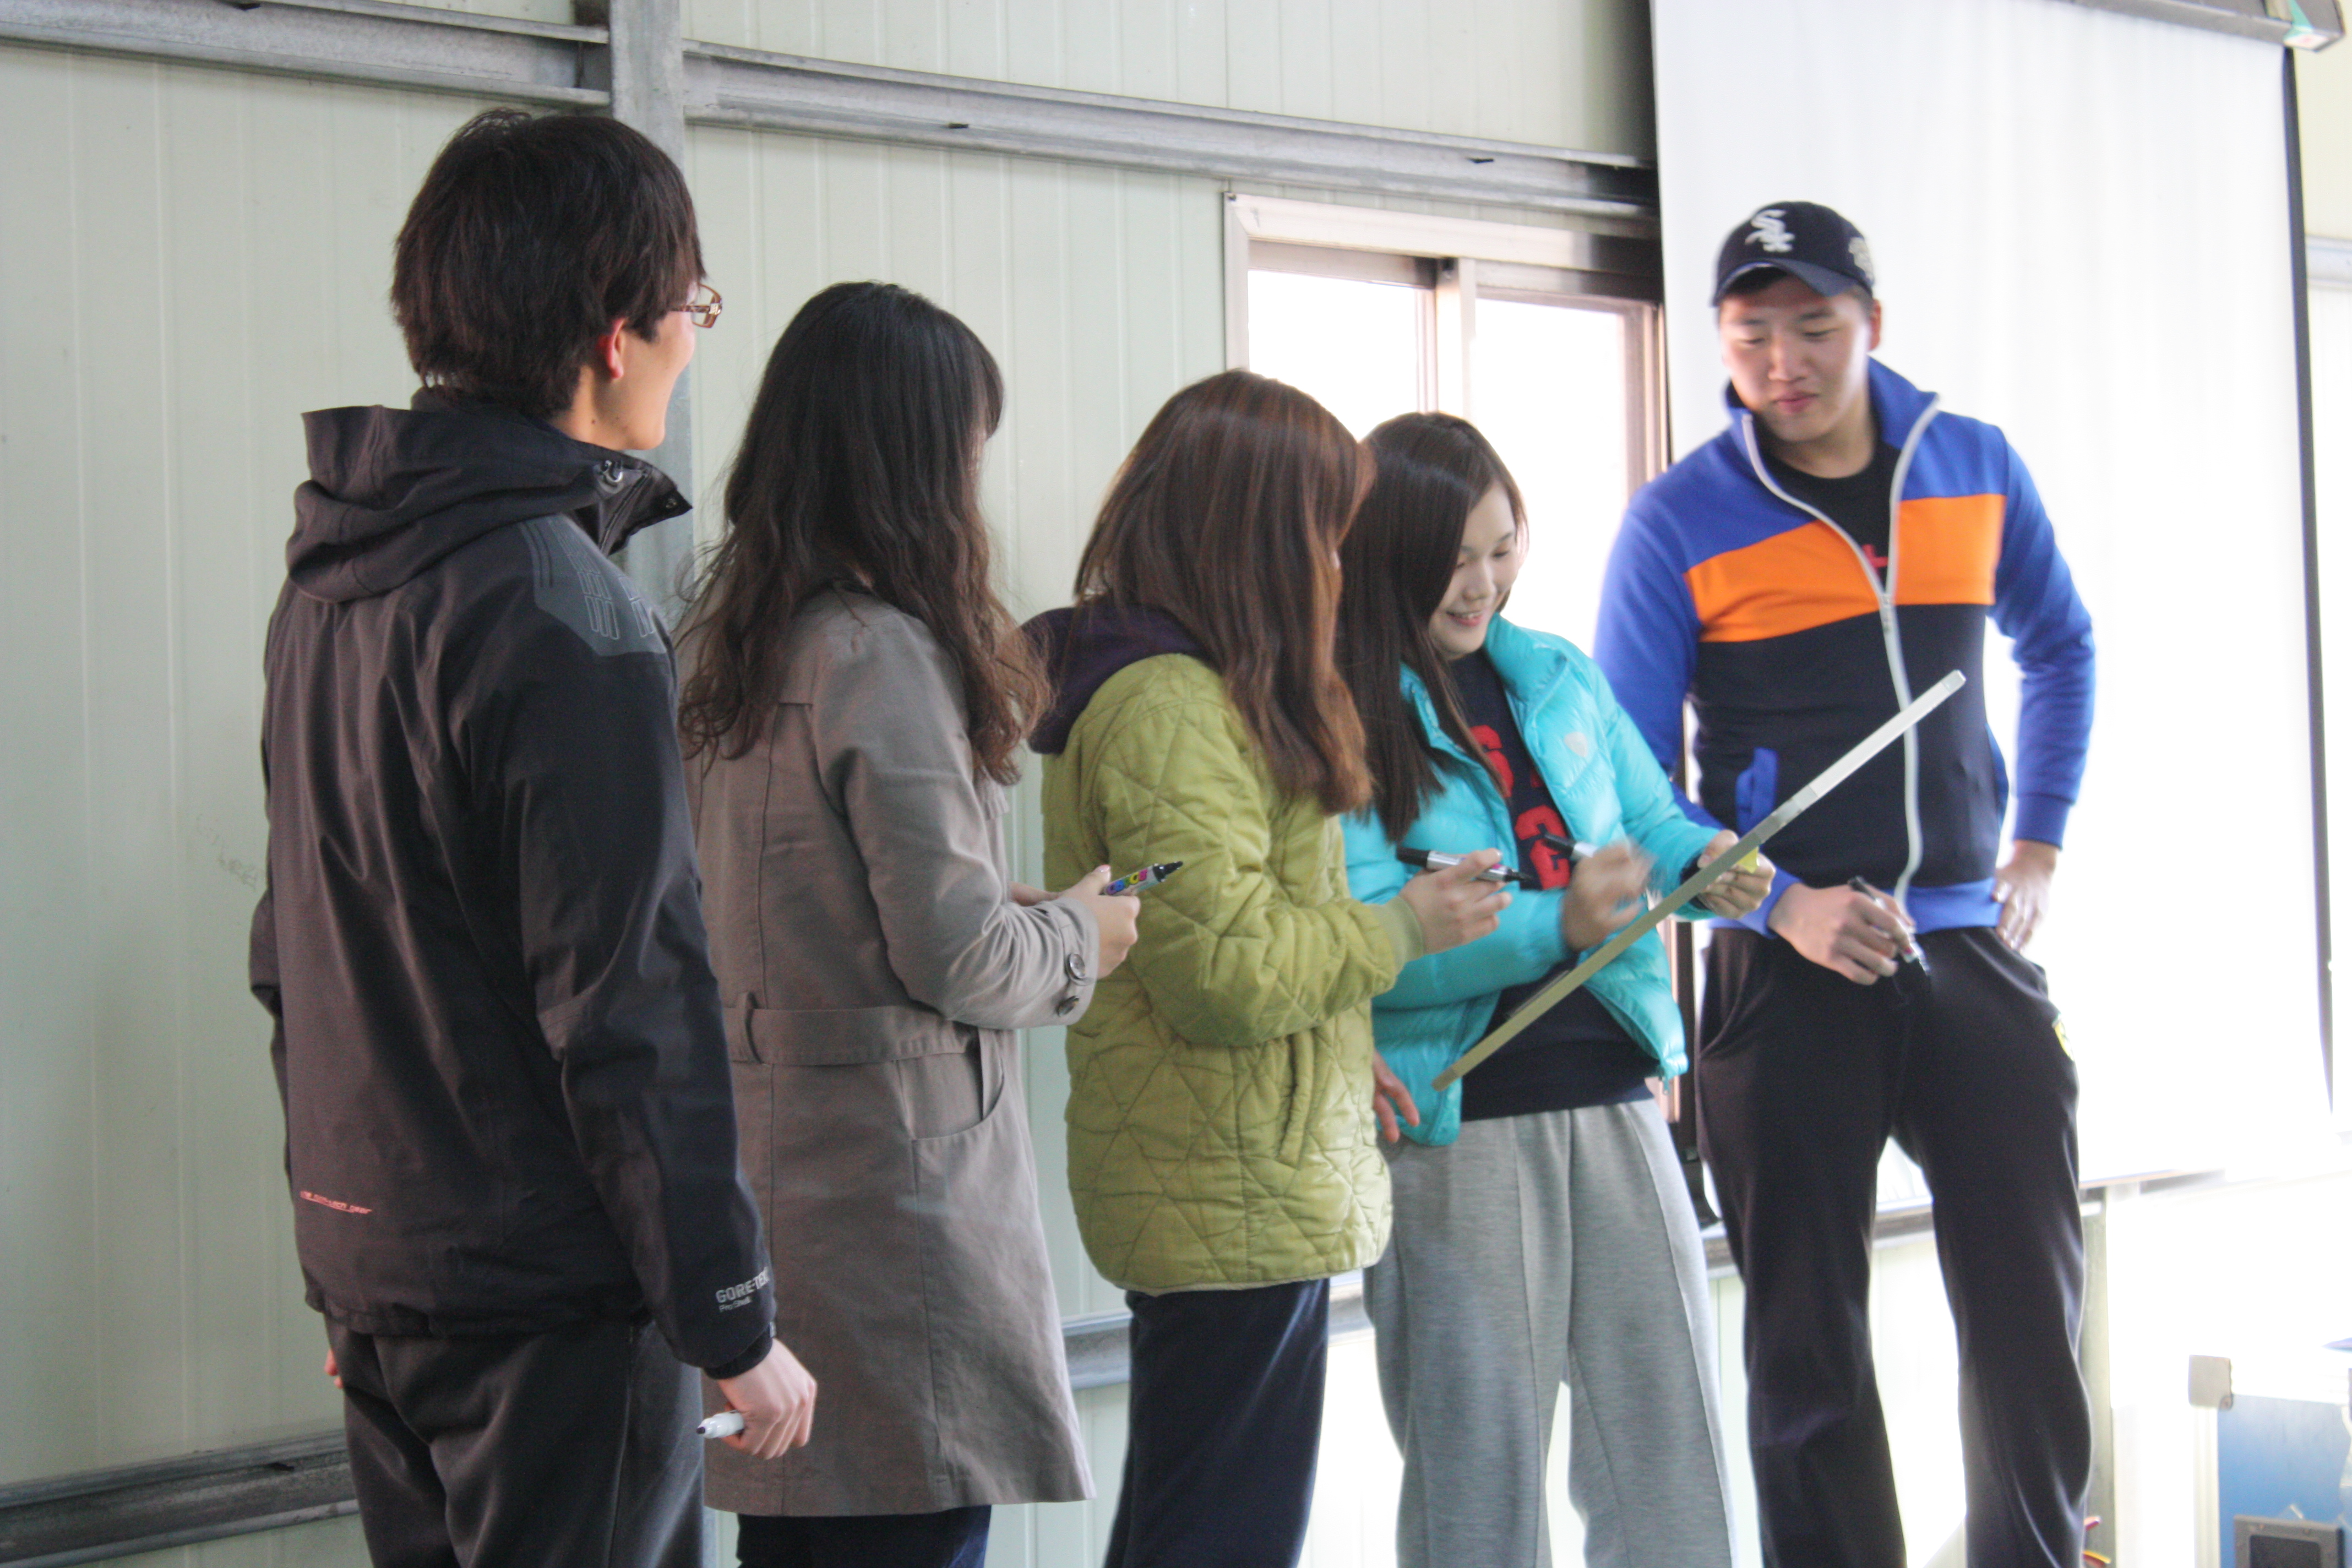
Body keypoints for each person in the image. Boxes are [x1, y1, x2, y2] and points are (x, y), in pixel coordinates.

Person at [248, 108, 815, 1568]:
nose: (694, 342)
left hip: (392, 1281)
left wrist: (353, 1263)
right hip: (547, 1300)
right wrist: (731, 1313)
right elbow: (631, 1003)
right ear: (617, 336)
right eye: (693, 308)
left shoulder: (328, 586)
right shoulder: (566, 610)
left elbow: (294, 949)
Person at [1594, 201, 2097, 1567]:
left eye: (1813, 326)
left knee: (2029, 1320)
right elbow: (1631, 785)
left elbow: (2061, 645)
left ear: (1872, 324)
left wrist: (2040, 836)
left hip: (1966, 943)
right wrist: (1780, 903)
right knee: (1806, 1344)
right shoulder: (1677, 522)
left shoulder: (1973, 466)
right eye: (1751, 333)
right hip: (1785, 965)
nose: (1784, 361)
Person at [676, 280, 1140, 1568]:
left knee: (804, 1533)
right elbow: (961, 954)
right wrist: (1080, 939)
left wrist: (1018, 908)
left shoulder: (724, 639)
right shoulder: (878, 652)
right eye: (969, 451)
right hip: (894, 1205)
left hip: (772, 1176)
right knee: (905, 1526)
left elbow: (804, 913)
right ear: (915, 463)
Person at [1026, 371, 1509, 1568]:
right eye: (1328, 536)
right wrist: (1404, 927)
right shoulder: (1169, 710)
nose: (1339, 568)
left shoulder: (1196, 691)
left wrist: (1342, 1062)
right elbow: (1225, 972)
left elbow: (1211, 921)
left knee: (1192, 1527)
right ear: (1258, 536)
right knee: (1218, 1536)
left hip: (1241, 1176)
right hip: (1224, 1188)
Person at [1336, 412, 1771, 1568]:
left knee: (1671, 1454)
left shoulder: (1558, 673)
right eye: (1455, 558)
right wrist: (1557, 923)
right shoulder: (1338, 709)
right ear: (1385, 551)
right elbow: (1365, 942)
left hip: (1620, 1093)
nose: (1484, 583)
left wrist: (1704, 862)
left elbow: (1649, 821)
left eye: (1502, 548)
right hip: (1457, 1121)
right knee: (1477, 1483)